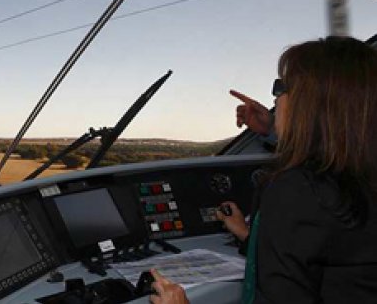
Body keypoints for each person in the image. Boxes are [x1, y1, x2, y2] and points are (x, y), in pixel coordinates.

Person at [150, 36, 377, 304]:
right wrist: (248, 236)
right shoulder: (358, 178)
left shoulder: (300, 191)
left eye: (281, 87)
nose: (276, 98)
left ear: (309, 104)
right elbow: (332, 259)